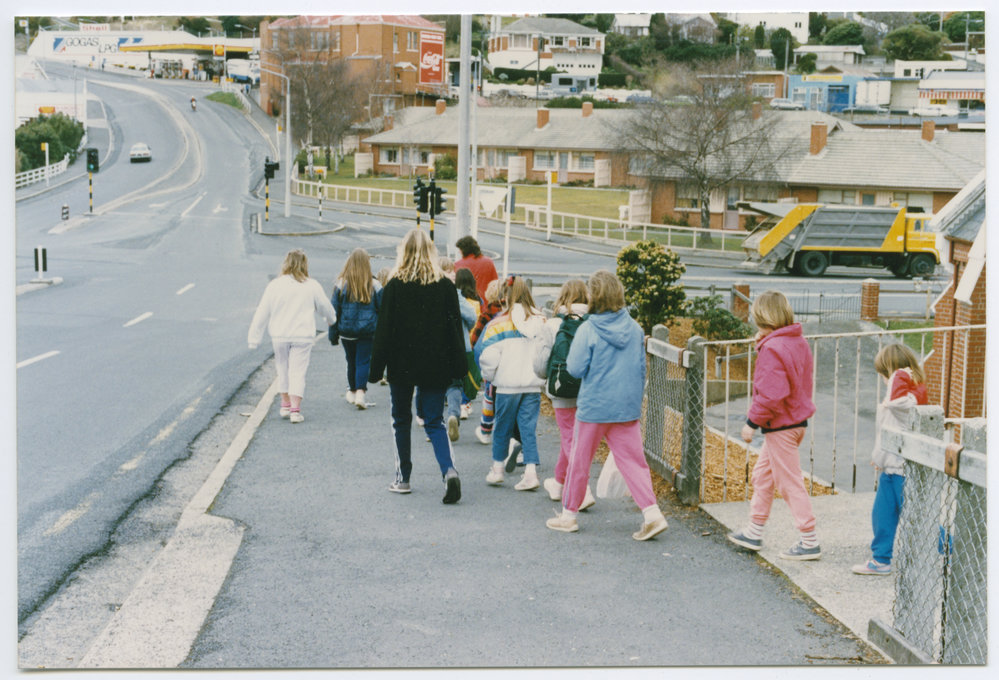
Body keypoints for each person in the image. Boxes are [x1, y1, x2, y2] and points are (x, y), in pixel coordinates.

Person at [546, 270, 668, 540]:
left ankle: (569, 515)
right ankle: (652, 513)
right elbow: (640, 369)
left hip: (594, 406)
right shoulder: (635, 329)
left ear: (595, 296)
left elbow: (575, 369)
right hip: (626, 406)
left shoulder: (589, 329)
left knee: (580, 460)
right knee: (634, 463)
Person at [369, 228, 467, 504]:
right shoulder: (446, 287)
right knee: (434, 420)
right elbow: (454, 331)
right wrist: (459, 367)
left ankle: (404, 478)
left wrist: (375, 370)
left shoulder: (395, 287)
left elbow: (383, 333)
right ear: (431, 253)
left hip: (402, 365)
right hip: (436, 365)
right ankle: (449, 471)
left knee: (401, 420)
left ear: (404, 252)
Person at [727, 290, 820, 560]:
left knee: (789, 482)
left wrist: (750, 423)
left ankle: (809, 539)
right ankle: (754, 531)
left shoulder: (772, 349)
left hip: (780, 426)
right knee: (763, 476)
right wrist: (763, 342)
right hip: (795, 422)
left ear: (760, 317)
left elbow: (771, 393)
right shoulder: (795, 341)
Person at [852, 343, 928, 575]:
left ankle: (951, 548)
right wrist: (879, 458)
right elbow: (886, 431)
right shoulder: (905, 398)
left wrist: (899, 374)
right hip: (891, 468)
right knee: (883, 515)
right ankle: (881, 559)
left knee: (920, 519)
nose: (885, 382)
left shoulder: (908, 400)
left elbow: (895, 403)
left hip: (902, 472)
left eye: (885, 375)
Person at [248, 249, 336, 424]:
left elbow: (262, 312)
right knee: (298, 371)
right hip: (302, 336)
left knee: (282, 369)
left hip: (279, 335)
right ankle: (295, 410)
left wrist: (254, 338)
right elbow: (325, 307)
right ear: (304, 264)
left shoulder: (275, 285)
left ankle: (285, 405)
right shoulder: (311, 285)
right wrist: (331, 319)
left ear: (286, 263)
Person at [477, 276, 546, 490]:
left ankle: (497, 469)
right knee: (527, 429)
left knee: (502, 427)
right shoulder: (541, 321)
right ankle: (531, 472)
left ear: (506, 296)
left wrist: (490, 376)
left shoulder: (498, 324)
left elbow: (488, 357)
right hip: (532, 384)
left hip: (506, 385)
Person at [533, 279, 595, 511]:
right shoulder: (593, 323)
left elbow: (540, 363)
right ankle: (558, 483)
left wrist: (544, 379)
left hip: (561, 389)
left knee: (569, 436)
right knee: (571, 436)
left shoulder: (553, 324)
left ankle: (583, 489)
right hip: (587, 388)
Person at [331, 248, 382, 410]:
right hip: (368, 331)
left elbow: (334, 312)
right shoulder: (375, 284)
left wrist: (333, 335)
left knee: (351, 361)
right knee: (363, 361)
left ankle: (352, 391)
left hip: (347, 331)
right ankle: (361, 392)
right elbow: (382, 309)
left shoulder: (341, 284)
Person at [439, 257, 478, 442]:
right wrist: (466, 327)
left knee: (436, 384)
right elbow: (471, 316)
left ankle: (435, 422)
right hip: (457, 345)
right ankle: (453, 414)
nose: (454, 273)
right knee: (455, 384)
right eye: (449, 270)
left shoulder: (428, 293)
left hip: (436, 346)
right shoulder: (455, 294)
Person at [470, 279, 504, 445]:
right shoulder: (510, 314)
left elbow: (477, 340)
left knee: (489, 397)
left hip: (491, 362)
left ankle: (486, 428)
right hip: (508, 365)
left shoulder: (488, 314)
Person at [454, 268, 480, 421]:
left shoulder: (456, 297)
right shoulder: (476, 301)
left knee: (456, 378)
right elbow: (474, 319)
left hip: (458, 341)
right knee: (469, 377)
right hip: (470, 342)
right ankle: (465, 403)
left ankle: (456, 403)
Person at [455, 235, 498, 305]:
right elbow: (495, 284)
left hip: (467, 305)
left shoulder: (458, 265)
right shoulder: (488, 262)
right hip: (486, 304)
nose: (459, 252)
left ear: (464, 250)